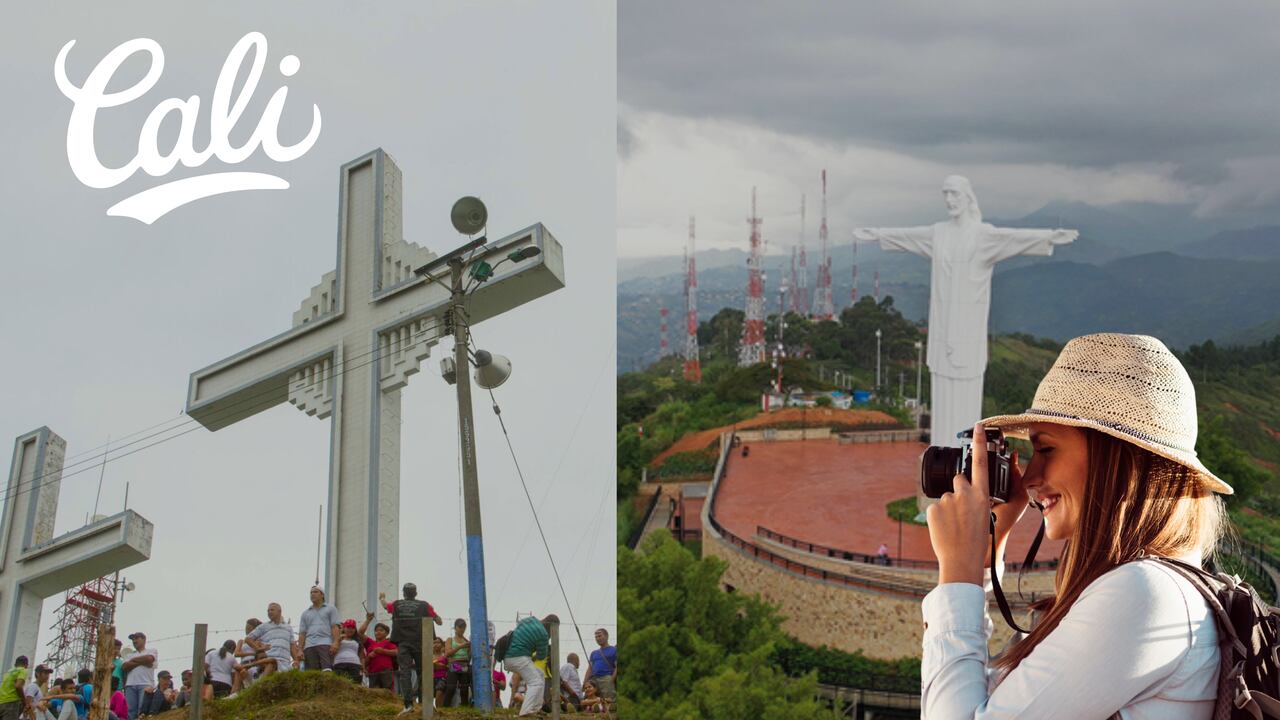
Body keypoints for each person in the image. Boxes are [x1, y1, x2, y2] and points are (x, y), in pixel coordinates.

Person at [921, 333, 1233, 718]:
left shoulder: (1144, 594)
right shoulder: (1156, 590)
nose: (1030, 478)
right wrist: (987, 557)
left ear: (1113, 458)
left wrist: (958, 575)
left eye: (1046, 449)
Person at [380, 583, 443, 716]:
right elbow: (438, 621)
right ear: (415, 593)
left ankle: (408, 705)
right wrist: (436, 619)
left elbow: (386, 606)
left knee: (405, 673)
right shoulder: (424, 605)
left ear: (403, 593)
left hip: (403, 643)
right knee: (424, 673)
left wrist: (382, 598)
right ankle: (426, 704)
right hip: (421, 643)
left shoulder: (397, 604)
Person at [504, 614, 553, 716]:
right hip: (519, 657)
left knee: (539, 673)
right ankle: (526, 711)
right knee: (536, 682)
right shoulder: (544, 634)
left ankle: (536, 708)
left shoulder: (530, 620)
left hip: (509, 655)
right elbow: (541, 656)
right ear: (552, 627)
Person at [244, 602, 300, 679]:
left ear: (279, 611)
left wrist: (296, 660)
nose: (269, 612)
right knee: (270, 670)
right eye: (268, 611)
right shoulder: (263, 626)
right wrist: (258, 648)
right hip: (268, 661)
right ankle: (260, 686)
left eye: (272, 610)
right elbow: (248, 639)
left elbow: (292, 645)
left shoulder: (288, 628)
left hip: (285, 663)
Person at [297, 586, 341, 671]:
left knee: (327, 670)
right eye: (311, 592)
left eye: (315, 592)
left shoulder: (331, 609)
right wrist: (300, 650)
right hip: (309, 646)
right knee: (311, 674)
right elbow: (302, 633)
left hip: (325, 643)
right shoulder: (305, 613)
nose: (312, 594)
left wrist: (335, 642)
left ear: (322, 595)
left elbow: (335, 627)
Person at [119, 632, 157, 720]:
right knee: (130, 711)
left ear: (144, 639)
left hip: (145, 684)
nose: (134, 641)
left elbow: (149, 659)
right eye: (133, 639)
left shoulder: (151, 651)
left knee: (142, 711)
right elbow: (125, 667)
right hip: (130, 685)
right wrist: (143, 662)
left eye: (136, 638)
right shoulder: (129, 654)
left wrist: (133, 661)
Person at [357, 614, 397, 692]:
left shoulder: (389, 642)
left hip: (386, 671)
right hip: (373, 672)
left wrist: (383, 651)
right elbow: (360, 633)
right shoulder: (370, 643)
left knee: (388, 693)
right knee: (374, 693)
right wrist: (368, 620)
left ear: (386, 633)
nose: (378, 632)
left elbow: (396, 652)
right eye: (376, 630)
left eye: (381, 630)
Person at [582, 628, 616, 702]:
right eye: (596, 637)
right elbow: (590, 668)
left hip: (606, 678)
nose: (598, 638)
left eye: (600, 636)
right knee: (592, 698)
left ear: (606, 636)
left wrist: (611, 679)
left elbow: (617, 667)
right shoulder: (594, 653)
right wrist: (585, 682)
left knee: (609, 700)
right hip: (594, 680)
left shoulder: (614, 650)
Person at [442, 618, 470, 707]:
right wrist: (460, 647)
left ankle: (464, 707)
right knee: (451, 687)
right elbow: (447, 653)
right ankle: (446, 707)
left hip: (464, 664)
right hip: (454, 664)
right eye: (460, 627)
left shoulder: (466, 641)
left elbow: (469, 655)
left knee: (464, 688)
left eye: (464, 627)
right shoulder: (450, 639)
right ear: (455, 628)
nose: (462, 629)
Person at [0, 655, 27, 720]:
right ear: (26, 665)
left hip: (1, 702)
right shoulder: (22, 670)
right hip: (11, 703)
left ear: (15, 664)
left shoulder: (8, 672)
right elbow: (18, 686)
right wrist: (24, 701)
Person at [431, 637, 448, 709]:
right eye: (434, 642)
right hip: (431, 678)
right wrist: (441, 665)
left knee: (439, 694)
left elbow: (450, 666)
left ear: (442, 644)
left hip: (442, 677)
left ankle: (439, 711)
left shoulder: (445, 655)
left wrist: (436, 664)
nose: (436, 644)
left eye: (438, 642)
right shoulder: (429, 655)